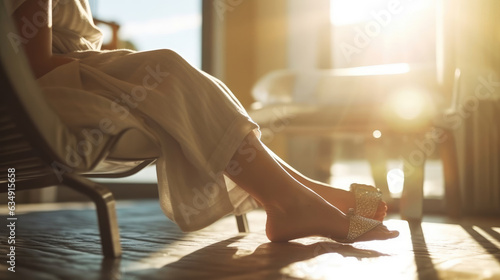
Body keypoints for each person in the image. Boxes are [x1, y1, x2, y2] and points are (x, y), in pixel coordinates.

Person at [6, 0, 398, 243]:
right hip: (30, 94)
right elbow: (33, 65)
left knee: (177, 78)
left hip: (51, 81)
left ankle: (302, 195)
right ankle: (291, 199)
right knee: (165, 71)